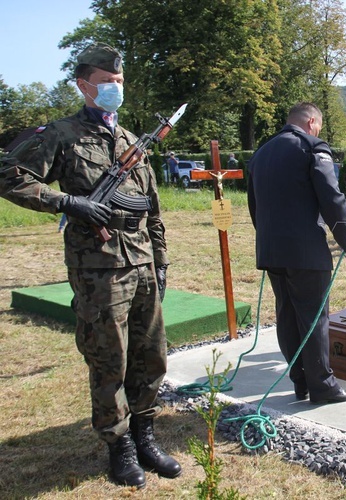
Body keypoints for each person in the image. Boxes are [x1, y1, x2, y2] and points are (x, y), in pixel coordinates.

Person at [0, 42, 179, 488]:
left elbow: (150, 209)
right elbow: (8, 174)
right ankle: (118, 445)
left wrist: (160, 261)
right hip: (97, 270)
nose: (115, 89)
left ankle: (145, 436)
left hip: (140, 266)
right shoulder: (60, 134)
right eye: (106, 83)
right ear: (83, 86)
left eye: (119, 82)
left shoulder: (130, 141)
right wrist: (67, 201)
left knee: (150, 355)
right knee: (109, 361)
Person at [246, 102, 346, 405]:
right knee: (313, 317)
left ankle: (300, 381)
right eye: (319, 126)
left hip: (272, 248)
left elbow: (254, 206)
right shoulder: (312, 148)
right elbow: (331, 196)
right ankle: (322, 386)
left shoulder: (262, 153)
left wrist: (268, 238)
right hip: (305, 250)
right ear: (311, 122)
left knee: (287, 315)